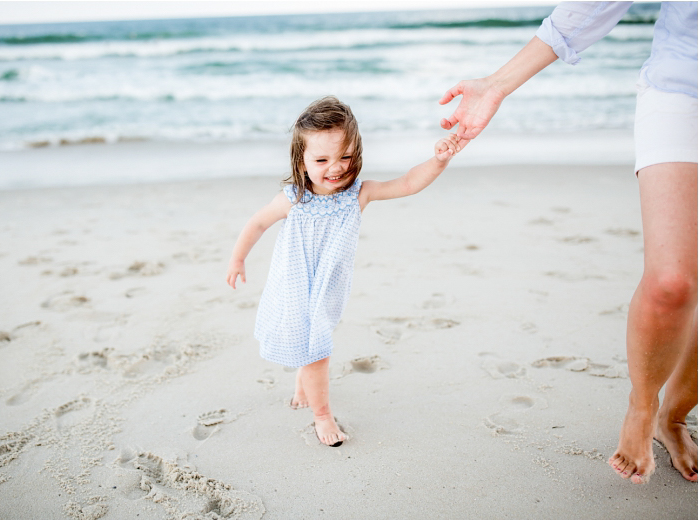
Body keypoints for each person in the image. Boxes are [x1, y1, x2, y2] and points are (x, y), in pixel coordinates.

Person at [439, 2, 697, 484]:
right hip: (683, 86)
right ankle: (643, 406)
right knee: (671, 284)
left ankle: (675, 415)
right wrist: (497, 84)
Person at [226, 96, 467, 446]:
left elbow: (409, 183)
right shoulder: (295, 197)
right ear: (302, 160)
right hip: (294, 282)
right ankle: (322, 416)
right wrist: (237, 258)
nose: (335, 167)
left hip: (329, 286)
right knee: (318, 350)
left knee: (313, 342)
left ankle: (302, 380)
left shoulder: (359, 193)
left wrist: (440, 160)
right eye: (322, 159)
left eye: (345, 156)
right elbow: (258, 222)